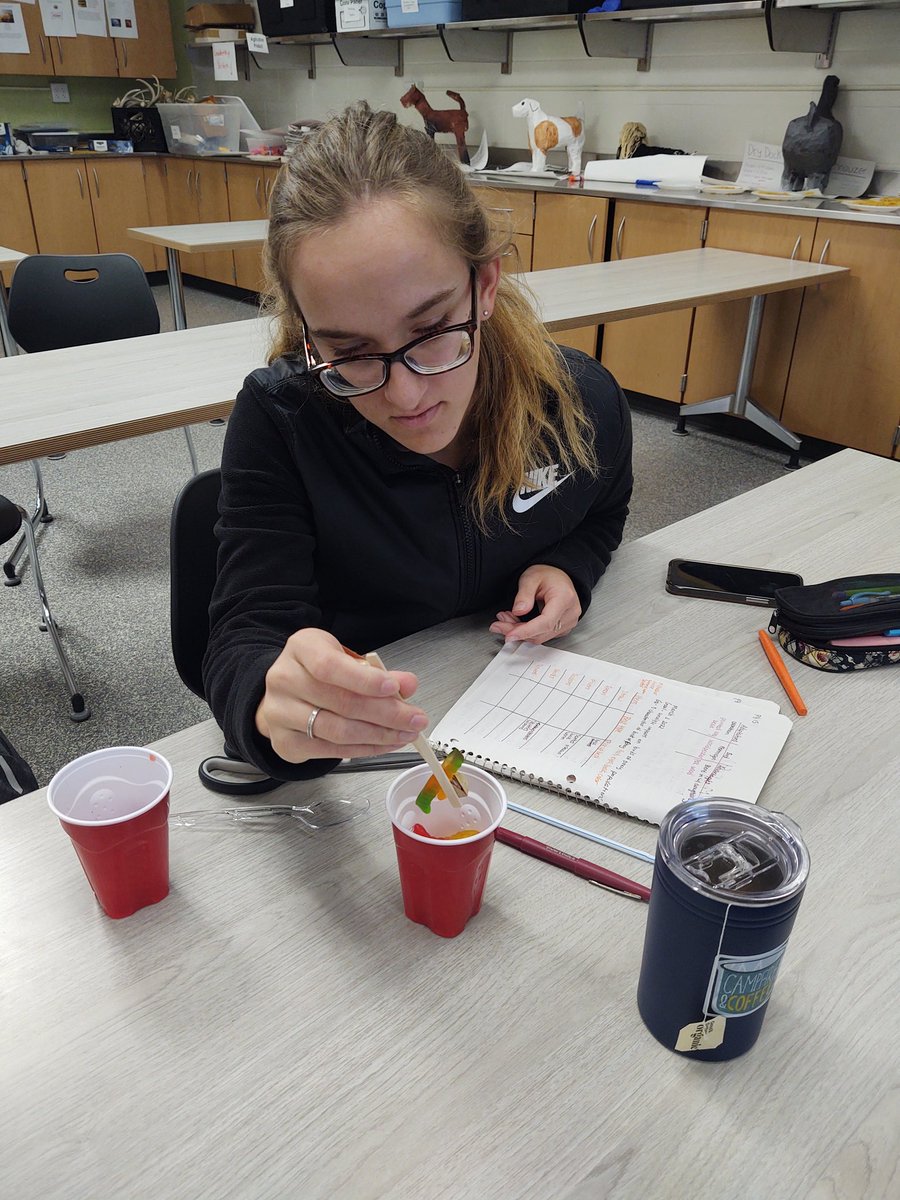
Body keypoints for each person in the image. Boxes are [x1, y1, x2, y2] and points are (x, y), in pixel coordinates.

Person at [204, 101, 633, 782]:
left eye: (433, 332)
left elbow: (605, 507)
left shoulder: (578, 402)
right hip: (370, 768)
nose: (406, 397)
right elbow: (242, 638)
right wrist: (269, 704)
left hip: (525, 731)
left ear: (484, 286)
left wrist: (574, 564)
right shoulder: (282, 422)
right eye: (350, 353)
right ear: (309, 338)